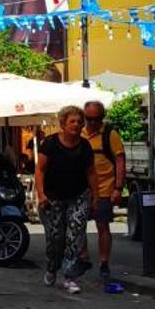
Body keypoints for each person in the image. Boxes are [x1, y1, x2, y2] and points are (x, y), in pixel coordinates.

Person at [35, 106, 100, 294]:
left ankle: (69, 276)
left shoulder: (85, 146)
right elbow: (40, 170)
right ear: (63, 124)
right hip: (54, 196)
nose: (77, 125)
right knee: (56, 238)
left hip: (78, 195)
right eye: (72, 121)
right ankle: (52, 267)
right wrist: (41, 194)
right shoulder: (50, 143)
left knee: (75, 235)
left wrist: (96, 197)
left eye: (80, 122)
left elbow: (91, 173)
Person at [80, 100, 126, 280]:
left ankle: (104, 262)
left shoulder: (110, 135)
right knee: (78, 225)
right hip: (83, 188)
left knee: (102, 226)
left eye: (96, 119)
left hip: (105, 188)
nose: (92, 123)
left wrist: (118, 188)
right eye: (88, 119)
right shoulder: (80, 134)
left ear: (102, 117)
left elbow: (120, 161)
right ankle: (83, 257)